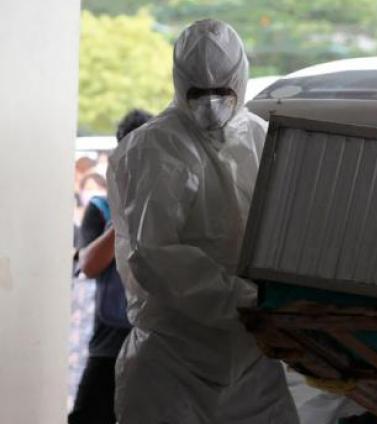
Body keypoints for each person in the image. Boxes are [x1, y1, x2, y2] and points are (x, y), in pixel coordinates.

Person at [107, 19, 298, 423]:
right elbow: (154, 253)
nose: (211, 103)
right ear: (179, 83)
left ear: (241, 79)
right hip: (172, 366)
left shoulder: (265, 140)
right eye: (198, 92)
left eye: (222, 91)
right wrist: (243, 299)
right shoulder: (154, 147)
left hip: (254, 362)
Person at [68, 109, 151, 424]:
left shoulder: (169, 201)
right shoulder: (101, 209)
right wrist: (126, 210)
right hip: (109, 340)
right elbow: (89, 265)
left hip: (153, 340)